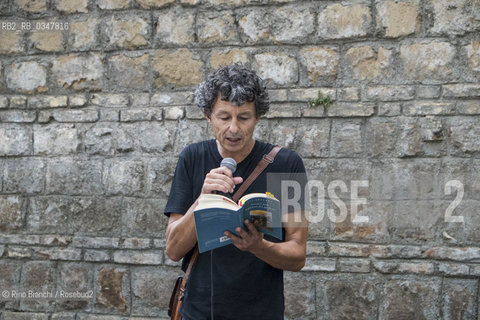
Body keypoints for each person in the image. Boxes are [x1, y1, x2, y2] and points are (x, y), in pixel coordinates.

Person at [164, 63, 308, 320]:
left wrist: (258, 246)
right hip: (198, 312)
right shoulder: (192, 158)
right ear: (208, 116)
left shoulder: (286, 164)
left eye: (243, 117)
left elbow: (297, 255)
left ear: (257, 117)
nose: (233, 128)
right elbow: (173, 250)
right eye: (224, 117)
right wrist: (202, 199)